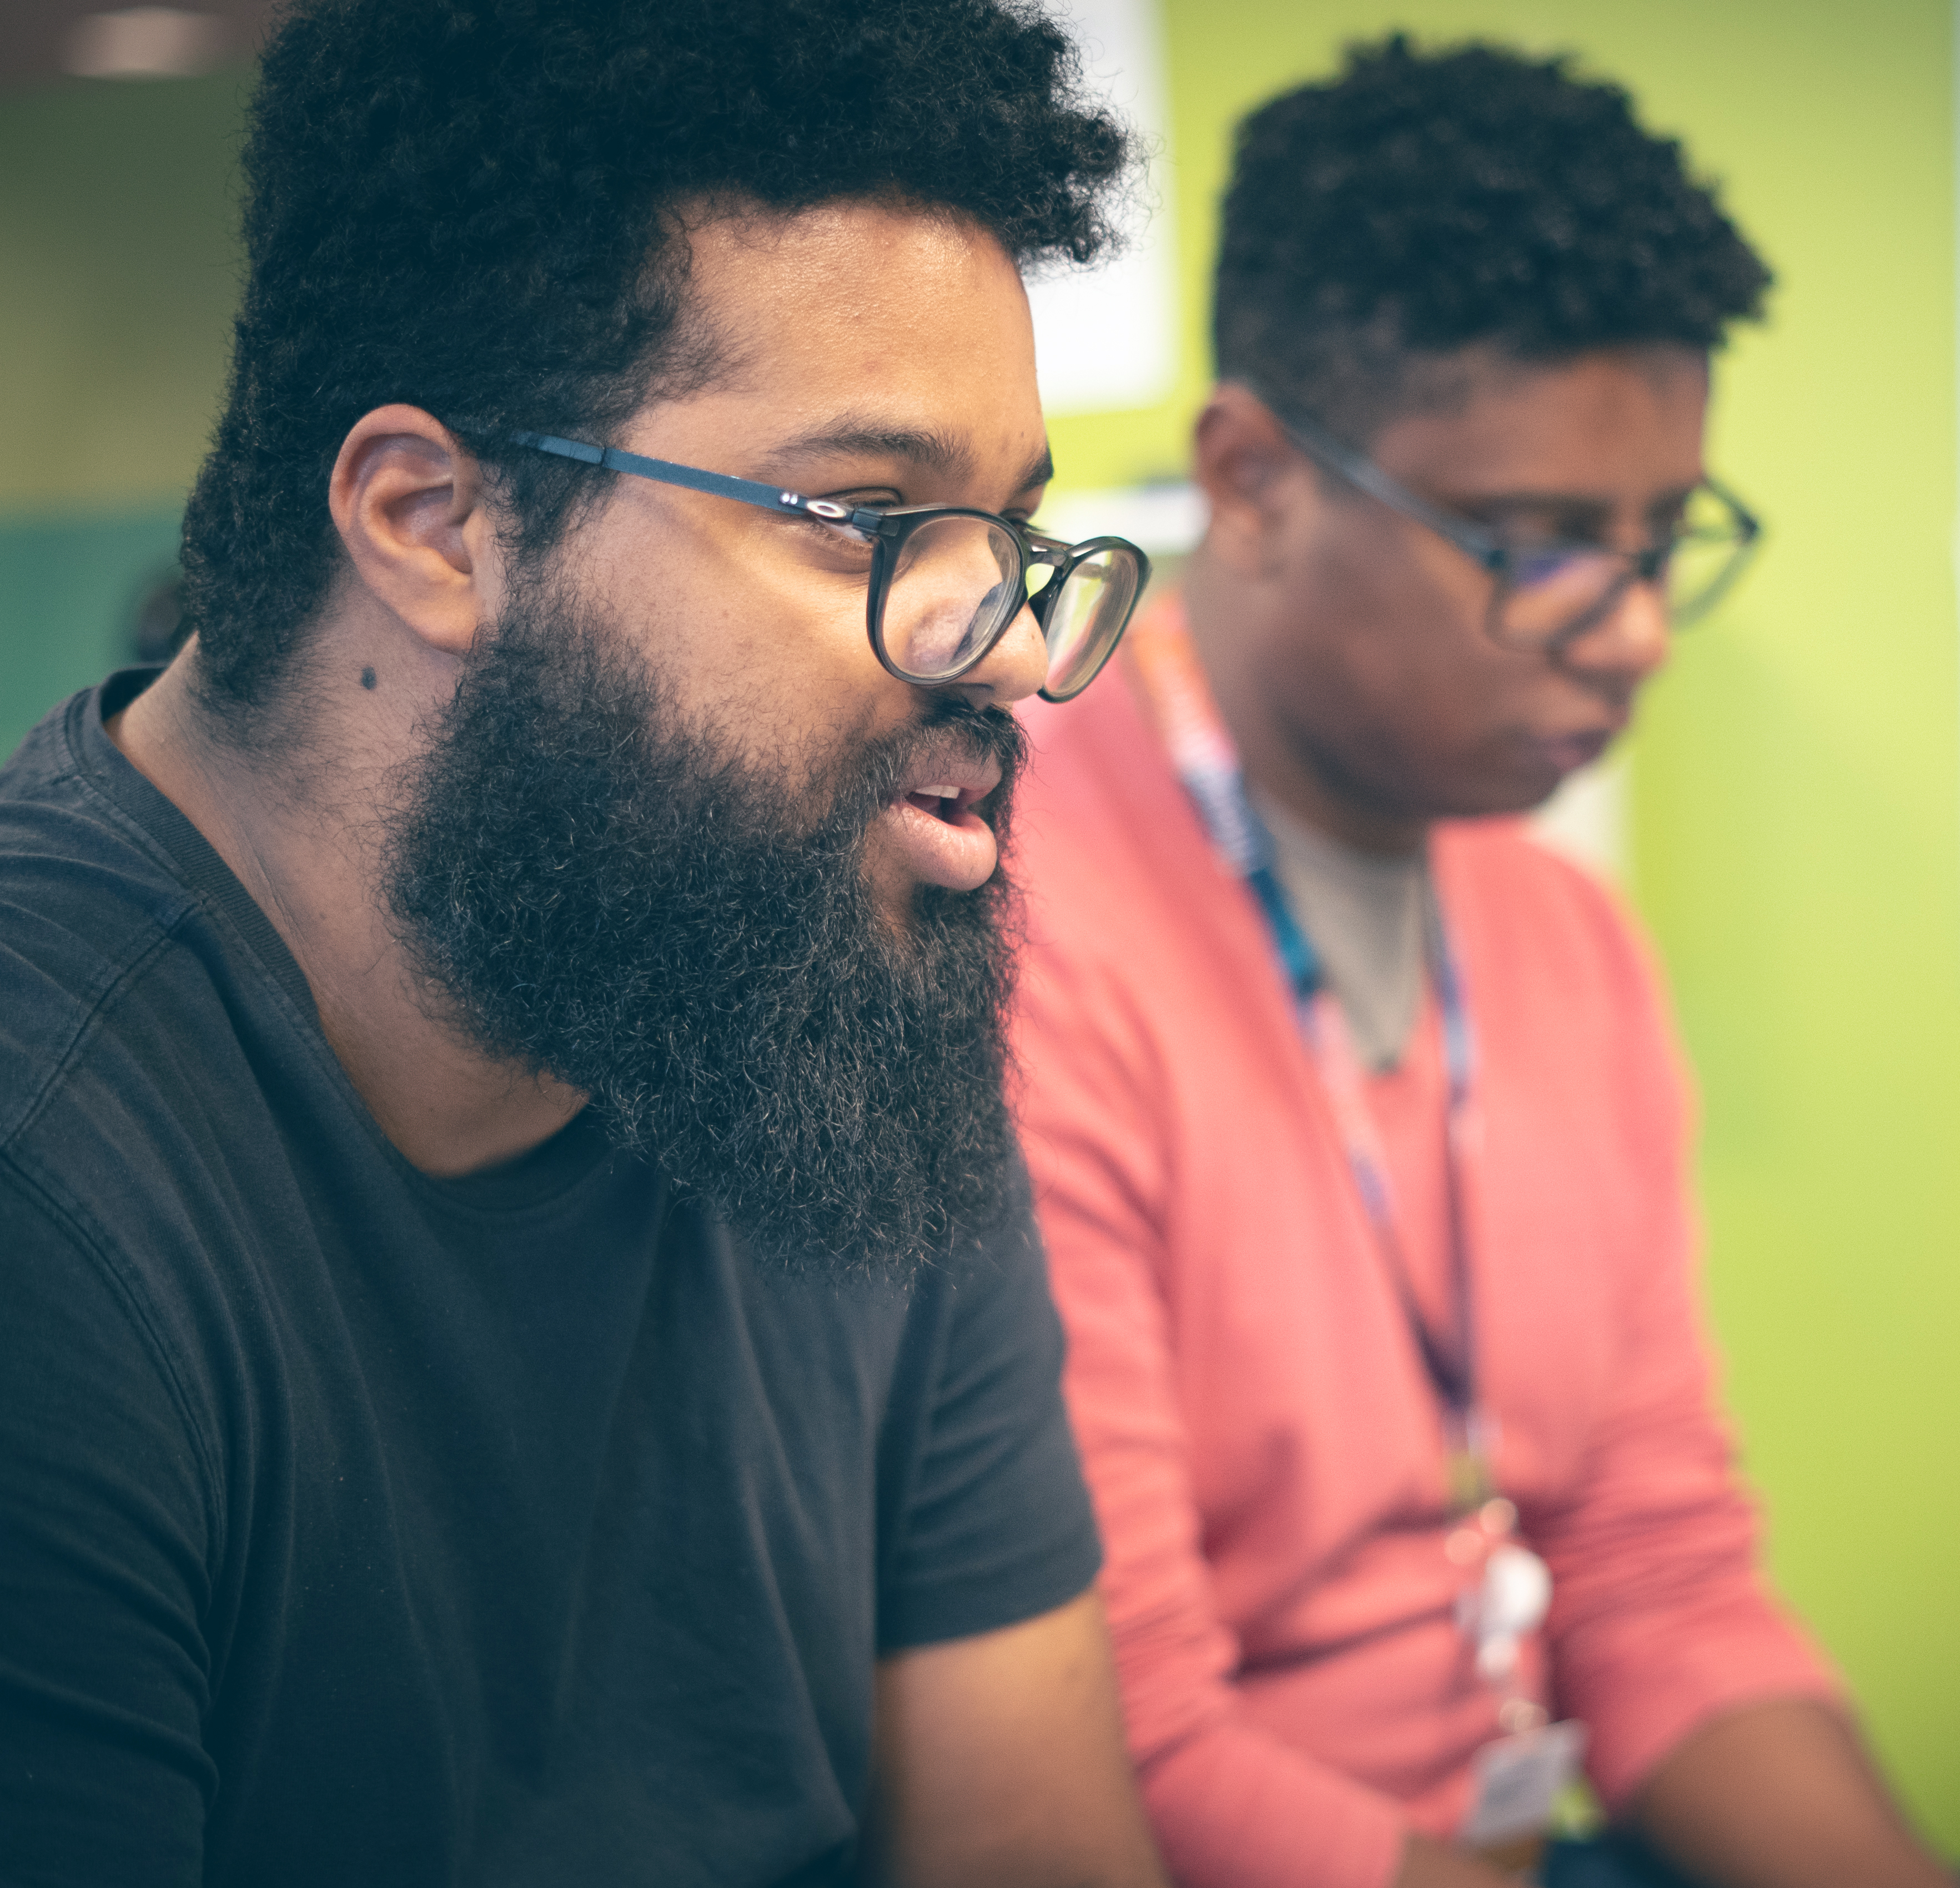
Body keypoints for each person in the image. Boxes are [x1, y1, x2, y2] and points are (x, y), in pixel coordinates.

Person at [0, 1, 1172, 1882]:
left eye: (1007, 535)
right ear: (433, 523)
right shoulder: (55, 1178)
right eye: (864, 520)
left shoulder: (822, 1018)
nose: (1013, 646)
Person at [1006, 39, 1953, 1888]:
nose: (1633, 636)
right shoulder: (1017, 930)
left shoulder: (1563, 940)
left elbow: (1658, 1580)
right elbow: (1123, 1752)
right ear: (1255, 481)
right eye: (1532, 547)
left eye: (1661, 539)